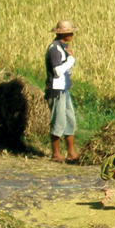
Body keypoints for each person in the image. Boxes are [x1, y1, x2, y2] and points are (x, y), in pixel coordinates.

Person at [44, 20, 79, 163]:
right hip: (56, 90)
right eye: (70, 32)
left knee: (70, 120)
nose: (72, 35)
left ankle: (71, 152)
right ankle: (56, 154)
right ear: (63, 34)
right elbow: (57, 71)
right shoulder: (54, 49)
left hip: (64, 89)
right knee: (58, 121)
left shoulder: (63, 47)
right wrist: (71, 60)